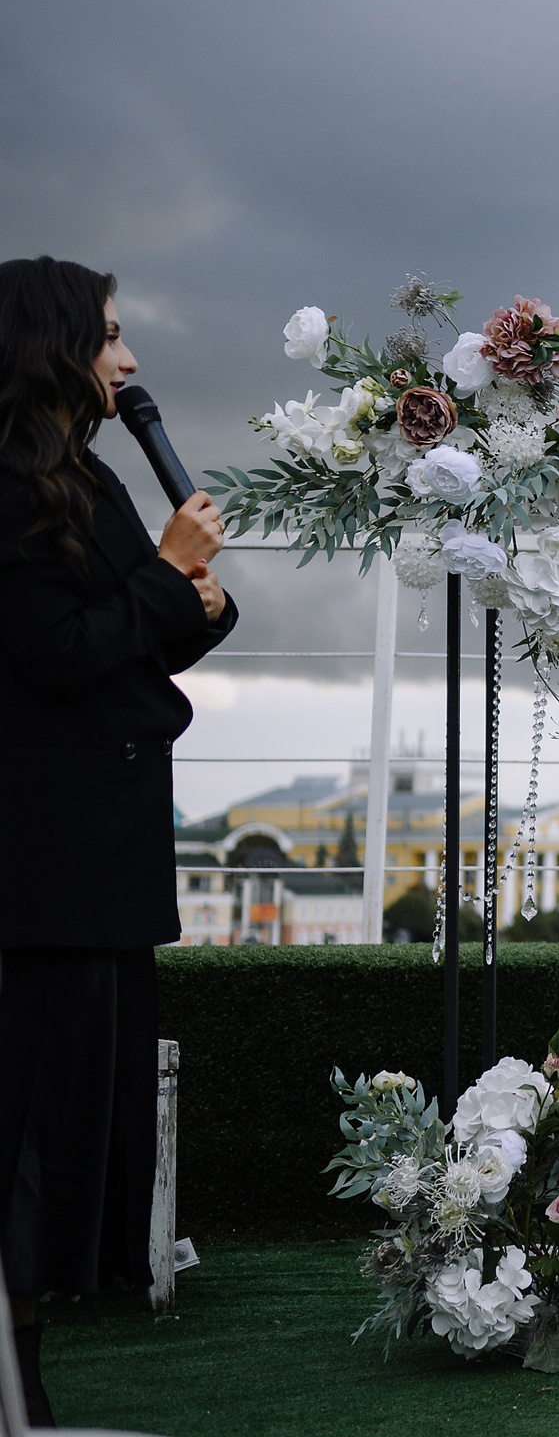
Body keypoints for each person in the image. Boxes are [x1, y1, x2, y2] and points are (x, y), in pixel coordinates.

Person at [0, 256, 236, 1427]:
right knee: (29, 1136)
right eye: (108, 336)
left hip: (102, 863)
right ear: (48, 344)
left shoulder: (81, 474)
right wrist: (166, 576)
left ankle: (26, 1384)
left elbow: (123, 633)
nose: (128, 359)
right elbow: (49, 654)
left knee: (71, 1134)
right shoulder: (6, 485)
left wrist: (192, 599)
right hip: (42, 873)